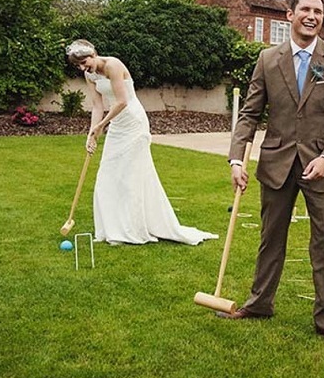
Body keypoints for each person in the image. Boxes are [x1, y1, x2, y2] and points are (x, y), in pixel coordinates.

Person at [217, 0, 324, 347]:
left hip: (322, 167)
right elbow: (249, 114)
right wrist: (237, 158)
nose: (312, 16)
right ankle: (260, 304)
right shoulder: (267, 59)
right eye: (306, 9)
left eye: (319, 11)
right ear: (290, 15)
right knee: (271, 240)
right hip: (276, 164)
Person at [65, 39, 217, 246]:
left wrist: (102, 125)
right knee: (107, 175)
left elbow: (121, 101)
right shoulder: (89, 75)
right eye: (79, 65)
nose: (83, 68)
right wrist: (92, 132)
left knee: (131, 178)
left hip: (133, 123)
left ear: (93, 54)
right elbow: (97, 105)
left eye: (85, 62)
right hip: (116, 124)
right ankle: (112, 230)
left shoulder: (113, 65)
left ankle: (131, 230)